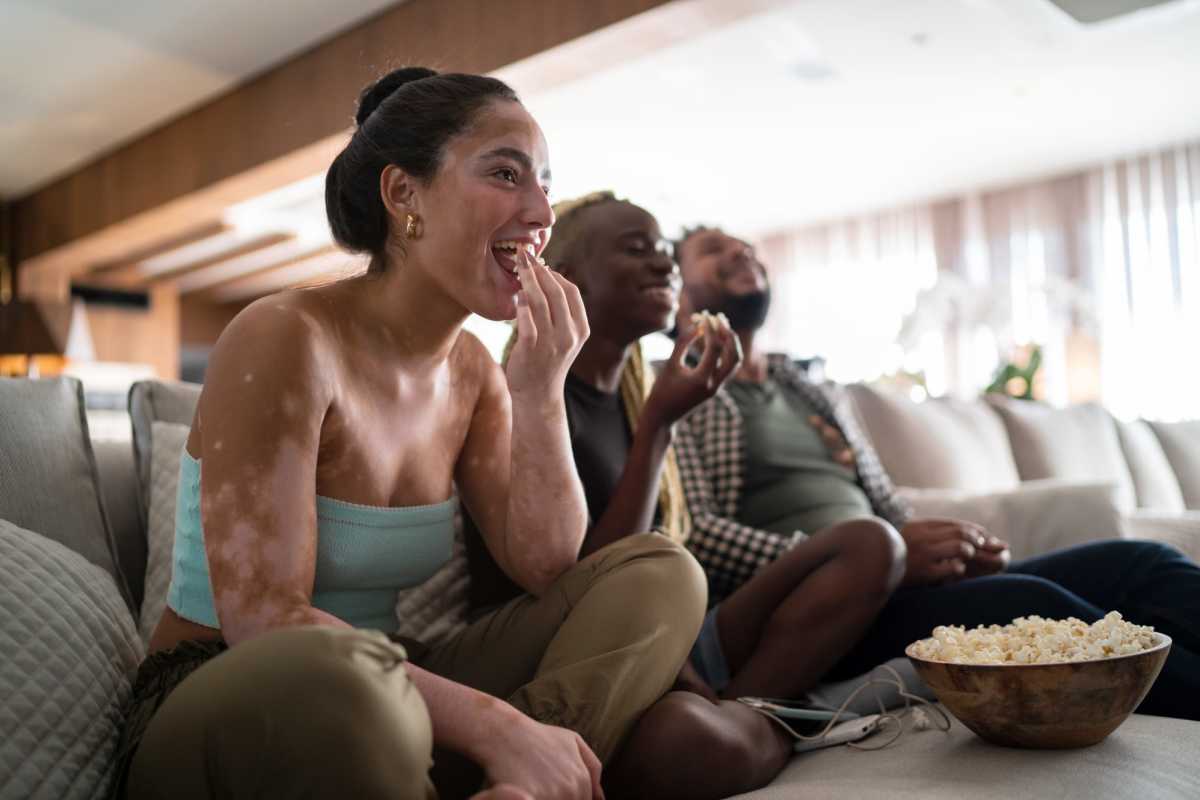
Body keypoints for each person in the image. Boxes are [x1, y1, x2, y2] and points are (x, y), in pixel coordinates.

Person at [115, 68, 707, 800]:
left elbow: (550, 565)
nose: (541, 211)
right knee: (357, 688)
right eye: (505, 173)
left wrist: (539, 387)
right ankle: (510, 753)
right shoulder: (284, 336)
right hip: (233, 690)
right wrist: (497, 727)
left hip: (387, 686)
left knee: (660, 569)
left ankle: (523, 786)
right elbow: (263, 619)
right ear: (404, 196)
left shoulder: (473, 376)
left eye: (546, 183)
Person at [465, 192, 908, 799]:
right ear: (565, 276)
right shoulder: (534, 396)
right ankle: (778, 719)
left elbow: (669, 558)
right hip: (585, 654)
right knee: (683, 745)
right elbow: (599, 589)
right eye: (635, 249)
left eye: (664, 252)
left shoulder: (634, 390)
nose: (663, 265)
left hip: (678, 634)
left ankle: (751, 710)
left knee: (871, 543)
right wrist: (660, 427)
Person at [671, 223, 1200, 721]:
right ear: (678, 296)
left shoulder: (812, 389)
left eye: (743, 244)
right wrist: (867, 560)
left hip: (894, 577)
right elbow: (695, 534)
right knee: (1035, 608)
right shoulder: (676, 396)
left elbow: (886, 506)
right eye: (713, 249)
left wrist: (950, 554)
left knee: (1144, 562)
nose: (741, 251)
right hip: (820, 612)